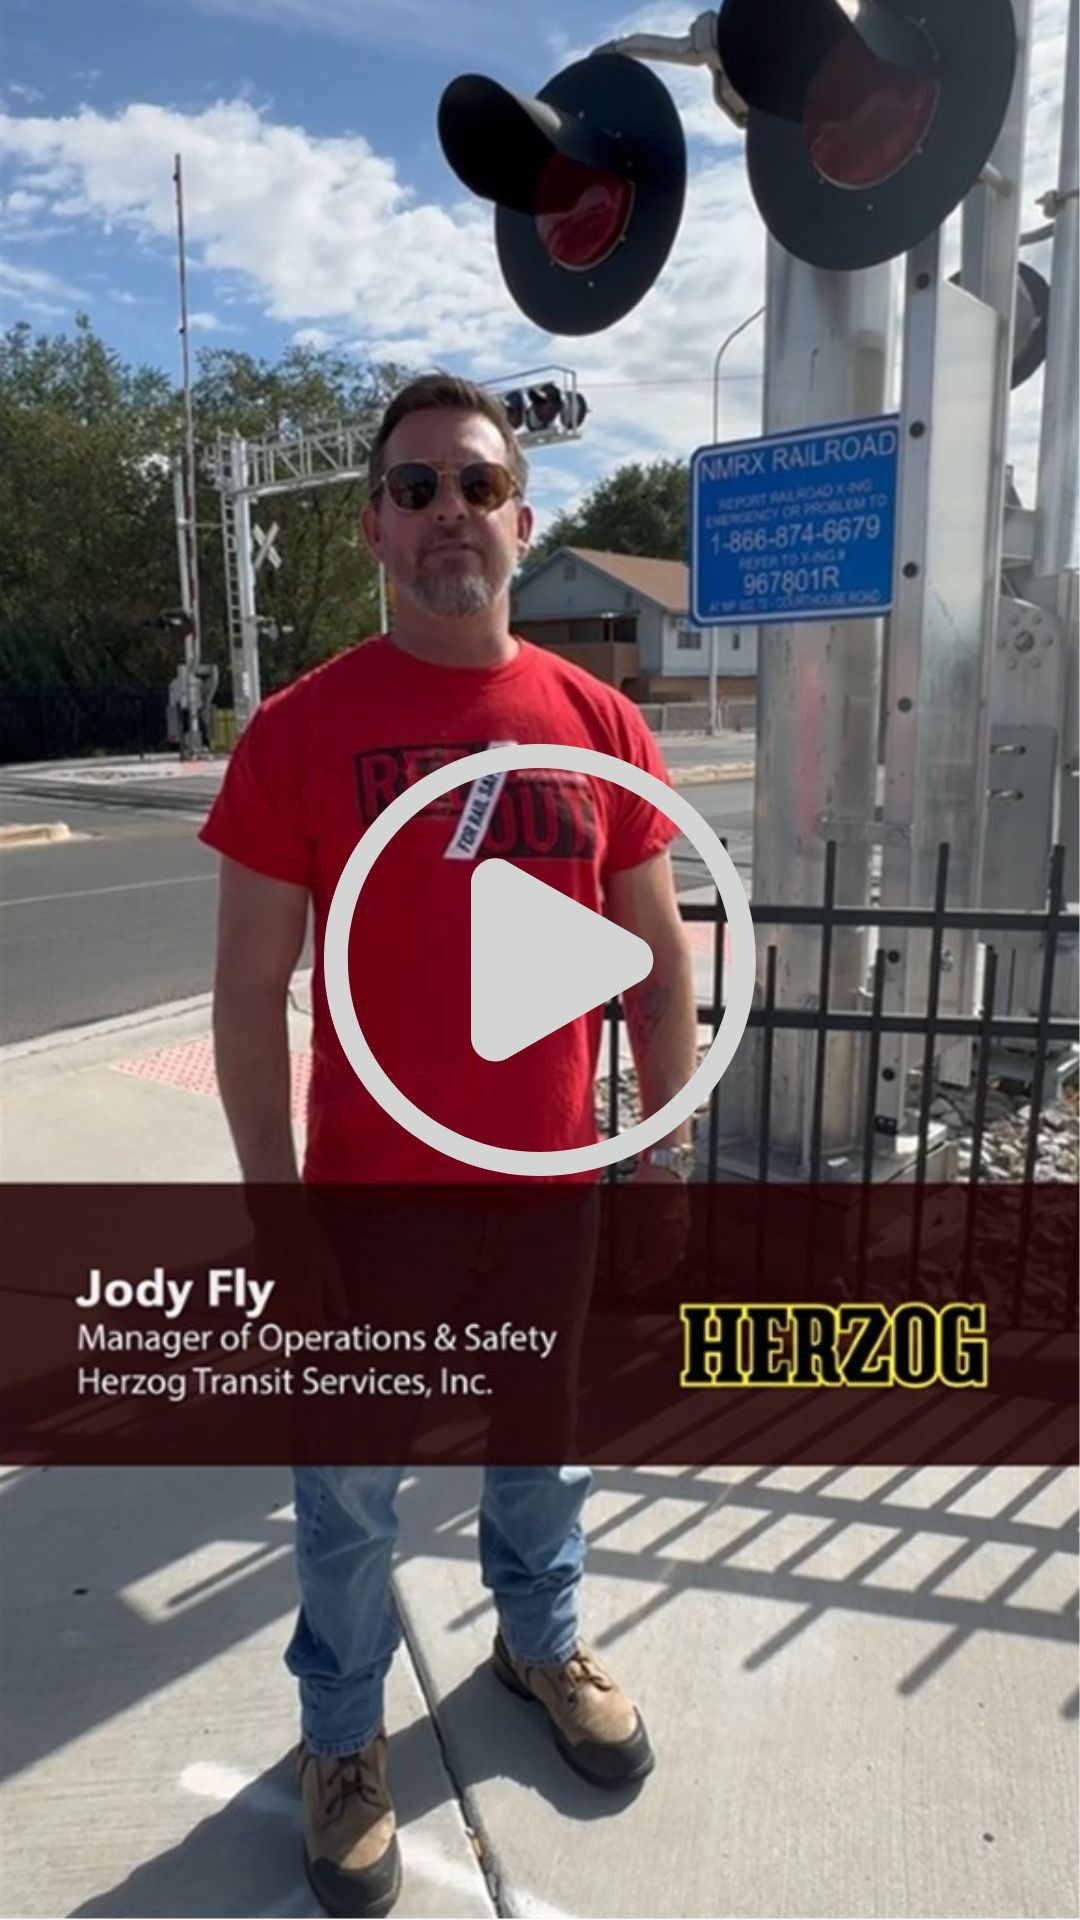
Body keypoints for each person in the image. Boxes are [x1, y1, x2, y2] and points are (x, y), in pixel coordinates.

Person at [200, 372, 699, 1918]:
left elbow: (660, 959)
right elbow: (244, 997)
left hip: (547, 1199)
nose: (448, 515)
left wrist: (663, 1160)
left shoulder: (596, 722)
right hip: (366, 1211)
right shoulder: (299, 733)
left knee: (538, 1448)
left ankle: (535, 1642)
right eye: (414, 490)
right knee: (348, 1494)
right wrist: (275, 1217)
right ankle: (343, 1741)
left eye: (477, 486)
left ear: (522, 518)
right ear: (371, 527)